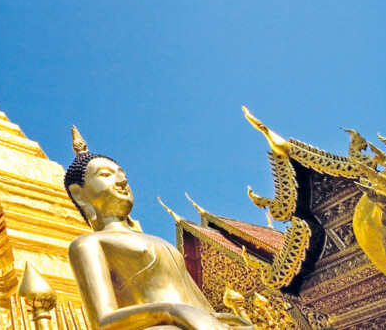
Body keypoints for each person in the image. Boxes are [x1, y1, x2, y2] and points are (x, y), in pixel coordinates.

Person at [63, 126, 251, 330]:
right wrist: (172, 311)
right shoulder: (88, 244)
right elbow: (102, 321)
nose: (122, 180)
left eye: (122, 173)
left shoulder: (163, 243)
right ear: (79, 194)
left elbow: (203, 310)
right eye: (106, 175)